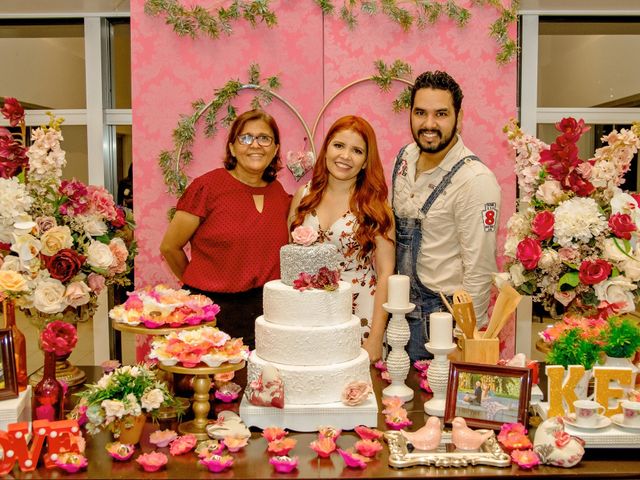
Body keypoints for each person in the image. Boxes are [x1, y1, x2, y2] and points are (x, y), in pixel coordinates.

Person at [392, 70, 501, 362]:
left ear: (459, 117)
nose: (429, 124)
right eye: (420, 113)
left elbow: (479, 270)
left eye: (441, 113)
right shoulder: (403, 158)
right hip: (398, 316)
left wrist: (467, 341)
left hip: (442, 323)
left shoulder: (475, 180)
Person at [160, 109, 291, 349]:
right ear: (232, 147)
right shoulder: (207, 188)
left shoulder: (281, 196)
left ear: (274, 149)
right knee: (210, 385)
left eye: (264, 138)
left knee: (259, 383)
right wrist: (199, 288)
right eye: (246, 138)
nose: (256, 145)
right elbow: (170, 247)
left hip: (267, 314)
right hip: (211, 313)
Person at [289, 115, 395, 362]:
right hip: (310, 316)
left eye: (356, 150)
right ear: (326, 149)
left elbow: (385, 273)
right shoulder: (303, 197)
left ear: (366, 161)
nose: (345, 156)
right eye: (338, 146)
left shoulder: (375, 207)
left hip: (360, 317)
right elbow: (292, 263)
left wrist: (376, 337)